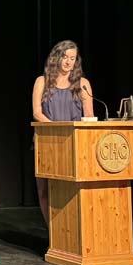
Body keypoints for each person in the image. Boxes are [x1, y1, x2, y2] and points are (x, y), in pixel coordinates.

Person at [31, 41, 95, 224]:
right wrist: (56, 129)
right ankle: (53, 233)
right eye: (65, 57)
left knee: (71, 191)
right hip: (47, 143)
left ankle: (69, 232)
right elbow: (37, 112)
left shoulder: (82, 84)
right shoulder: (42, 81)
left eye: (72, 58)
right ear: (56, 58)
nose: (68, 62)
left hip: (74, 143)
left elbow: (89, 115)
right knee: (44, 192)